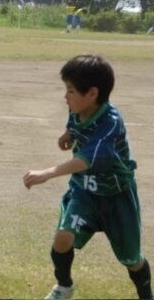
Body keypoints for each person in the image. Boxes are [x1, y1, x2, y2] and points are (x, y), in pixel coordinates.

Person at [23, 55, 153, 300]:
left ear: (92, 93)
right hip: (84, 192)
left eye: (70, 91)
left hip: (117, 198)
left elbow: (85, 161)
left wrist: (47, 173)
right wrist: (67, 134)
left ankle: (146, 294)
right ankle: (64, 286)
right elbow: (75, 123)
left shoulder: (110, 123)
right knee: (63, 239)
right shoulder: (79, 109)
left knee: (131, 259)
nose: (66, 96)